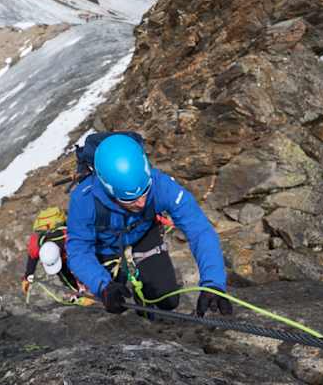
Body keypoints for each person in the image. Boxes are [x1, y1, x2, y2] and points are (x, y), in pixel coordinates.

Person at [66, 133, 233, 317]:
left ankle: (146, 299)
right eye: (129, 199)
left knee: (168, 301)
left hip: (143, 233)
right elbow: (79, 249)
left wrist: (213, 284)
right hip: (105, 248)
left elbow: (199, 230)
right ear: (108, 190)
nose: (141, 203)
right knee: (114, 306)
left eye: (145, 192)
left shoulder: (160, 185)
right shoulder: (84, 200)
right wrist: (103, 286)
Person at [23, 207, 85, 299]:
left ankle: (84, 287)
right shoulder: (36, 244)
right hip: (60, 250)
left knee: (77, 267)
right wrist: (27, 276)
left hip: (71, 249)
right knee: (62, 272)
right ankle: (75, 291)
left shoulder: (70, 240)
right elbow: (32, 258)